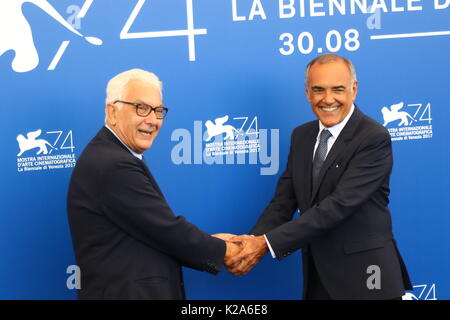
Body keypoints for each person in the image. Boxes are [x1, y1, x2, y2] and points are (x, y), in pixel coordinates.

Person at [226, 54, 412, 300]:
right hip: (319, 279)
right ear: (307, 93)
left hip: (369, 280)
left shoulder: (373, 137)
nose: (328, 99)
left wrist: (266, 244)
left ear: (353, 89)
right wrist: (251, 241)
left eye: (338, 89)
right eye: (318, 90)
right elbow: (283, 201)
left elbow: (338, 206)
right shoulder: (301, 136)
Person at [67, 69, 240, 300]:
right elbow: (167, 230)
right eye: (141, 108)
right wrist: (225, 251)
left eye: (158, 111)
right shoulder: (112, 164)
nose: (152, 120)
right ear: (112, 112)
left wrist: (213, 244)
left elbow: (151, 230)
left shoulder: (115, 155)